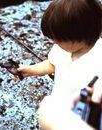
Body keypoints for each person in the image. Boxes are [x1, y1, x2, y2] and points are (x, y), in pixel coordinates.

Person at [16, 0, 102, 129]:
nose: (53, 41)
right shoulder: (62, 48)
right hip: (59, 101)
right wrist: (30, 70)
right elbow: (53, 64)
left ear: (79, 34)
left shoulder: (98, 60)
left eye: (59, 38)